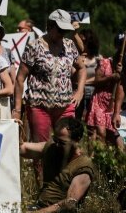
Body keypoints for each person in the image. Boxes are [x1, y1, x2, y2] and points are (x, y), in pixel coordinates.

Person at [14, 10, 85, 145]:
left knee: (68, 143)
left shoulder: (69, 45)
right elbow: (20, 79)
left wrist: (80, 90)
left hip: (65, 105)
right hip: (39, 106)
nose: (63, 34)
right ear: (50, 26)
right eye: (60, 30)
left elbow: (82, 68)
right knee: (42, 147)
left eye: (65, 31)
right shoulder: (34, 46)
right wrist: (17, 110)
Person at [20, 118, 93, 213]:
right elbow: (22, 149)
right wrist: (14, 129)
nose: (57, 144)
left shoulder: (83, 165)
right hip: (40, 208)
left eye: (62, 142)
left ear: (77, 140)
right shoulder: (52, 147)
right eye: (55, 139)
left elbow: (70, 203)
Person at [86, 35, 124, 150]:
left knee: (111, 136)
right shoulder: (104, 62)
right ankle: (95, 156)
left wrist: (120, 75)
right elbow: (96, 81)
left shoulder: (123, 67)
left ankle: (105, 156)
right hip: (99, 101)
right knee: (100, 132)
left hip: (112, 103)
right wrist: (111, 77)